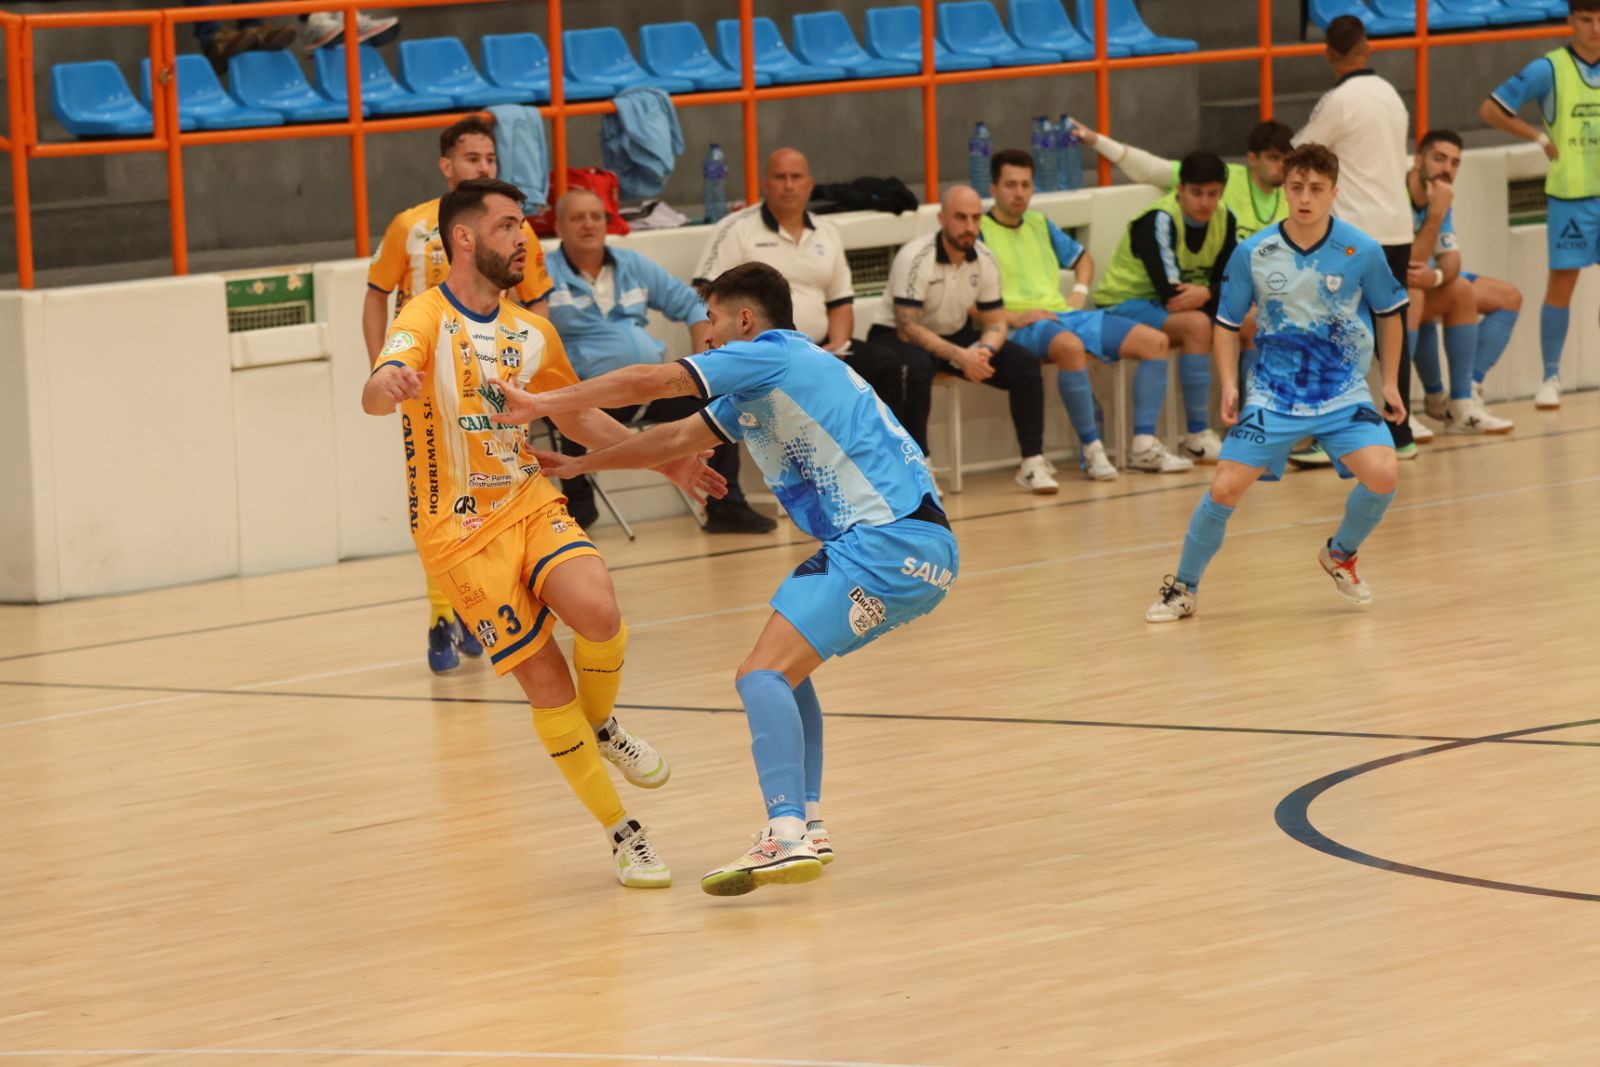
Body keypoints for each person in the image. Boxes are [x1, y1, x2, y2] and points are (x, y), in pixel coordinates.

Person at [488, 262, 959, 898]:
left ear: (744, 319)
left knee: (759, 675)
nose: (704, 333)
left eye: (710, 320)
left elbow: (648, 381)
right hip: (921, 550)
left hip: (883, 542)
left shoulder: (771, 353)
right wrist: (580, 463)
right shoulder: (767, 385)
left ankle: (784, 831)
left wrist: (542, 403)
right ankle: (808, 824)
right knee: (788, 674)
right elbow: (673, 438)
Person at [362, 179, 726, 889]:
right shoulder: (423, 315)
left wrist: (663, 460)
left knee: (600, 610)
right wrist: (390, 385)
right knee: (546, 684)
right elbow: (379, 387)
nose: (523, 239)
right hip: (458, 534)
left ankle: (604, 724)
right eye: (507, 226)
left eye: (524, 226)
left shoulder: (533, 331)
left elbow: (578, 415)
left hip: (528, 500)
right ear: (464, 237)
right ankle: (623, 832)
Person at [1145, 144, 1408, 623]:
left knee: (1384, 474)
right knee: (1224, 489)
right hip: (1273, 394)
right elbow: (1226, 323)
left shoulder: (1362, 250)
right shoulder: (1254, 252)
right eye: (1296, 187)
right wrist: (1230, 385)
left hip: (1343, 392)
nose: (1305, 198)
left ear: (1334, 192)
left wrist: (1389, 382)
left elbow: (1390, 314)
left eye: (1316, 189)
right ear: (1284, 188)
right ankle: (1183, 588)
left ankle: (1340, 553)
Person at [363, 115, 554, 674]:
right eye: (473, 159)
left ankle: (481, 605)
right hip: (426, 378)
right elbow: (376, 294)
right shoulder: (410, 225)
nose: (483, 167)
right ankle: (442, 615)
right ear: (446, 165)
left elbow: (536, 300)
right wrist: (384, 367)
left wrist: (532, 369)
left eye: (490, 159)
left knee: (497, 487)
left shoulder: (514, 229)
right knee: (437, 494)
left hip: (492, 375)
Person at [544, 189, 777, 533]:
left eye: (596, 216)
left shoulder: (632, 265)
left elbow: (695, 305)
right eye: (578, 218)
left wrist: (705, 359)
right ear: (558, 226)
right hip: (592, 393)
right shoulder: (543, 274)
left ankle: (726, 506)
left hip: (650, 387)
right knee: (569, 409)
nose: (589, 224)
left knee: (718, 404)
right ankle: (578, 513)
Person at [980, 148, 1186, 480]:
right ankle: (1092, 451)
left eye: (1025, 185)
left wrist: (1078, 292)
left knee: (1155, 342)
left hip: (1063, 315)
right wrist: (1011, 317)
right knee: (1070, 347)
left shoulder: (1040, 224)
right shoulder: (978, 231)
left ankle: (1143, 446)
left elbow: (1083, 259)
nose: (1019, 193)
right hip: (1021, 325)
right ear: (993, 189)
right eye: (1010, 185)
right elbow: (967, 294)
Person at [693, 147, 915, 430]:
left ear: (809, 184)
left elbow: (840, 302)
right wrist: (711, 356)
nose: (789, 185)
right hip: (756, 355)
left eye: (796, 177)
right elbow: (702, 294)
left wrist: (837, 346)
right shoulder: (736, 229)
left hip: (817, 350)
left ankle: (892, 452)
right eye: (780, 177)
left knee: (885, 364)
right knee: (716, 396)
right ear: (765, 184)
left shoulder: (827, 232)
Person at [866, 184, 1057, 494]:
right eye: (960, 217)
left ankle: (1032, 462)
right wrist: (960, 356)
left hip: (955, 334)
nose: (969, 226)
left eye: (975, 218)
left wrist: (983, 350)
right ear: (942, 219)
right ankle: (918, 466)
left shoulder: (985, 258)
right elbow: (907, 327)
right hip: (896, 336)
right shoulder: (915, 256)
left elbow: (995, 321)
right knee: (916, 370)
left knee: (1024, 364)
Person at [1293, 15, 1421, 459]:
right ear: (1368, 48)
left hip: (1356, 233)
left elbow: (1302, 152)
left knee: (1334, 329)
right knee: (1392, 333)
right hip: (1397, 228)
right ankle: (1400, 435)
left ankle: (1332, 437)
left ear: (1328, 54)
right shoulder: (1391, 95)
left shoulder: (1339, 100)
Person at [1479, 0, 1600, 410]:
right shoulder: (1549, 68)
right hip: (1571, 195)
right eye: (1586, 19)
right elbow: (1490, 109)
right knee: (1561, 287)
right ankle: (1551, 377)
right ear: (1571, 22)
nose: (1595, 28)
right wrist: (1537, 137)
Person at [1092, 151, 1240, 465]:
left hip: (1175, 305)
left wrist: (1207, 293)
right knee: (1197, 325)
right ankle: (1187, 437)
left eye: (1213, 194)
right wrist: (1213, 294)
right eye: (1196, 193)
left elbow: (1235, 281)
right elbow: (1171, 294)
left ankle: (1252, 425)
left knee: (1250, 319)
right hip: (1124, 303)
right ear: (1180, 189)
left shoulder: (1225, 218)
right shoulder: (1158, 220)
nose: (1205, 202)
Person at [1402, 129, 1514, 434]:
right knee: (1415, 293)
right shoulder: (1397, 195)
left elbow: (1451, 260)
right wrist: (1436, 214)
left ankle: (1462, 403)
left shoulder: (1440, 198)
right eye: (1439, 159)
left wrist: (1436, 275)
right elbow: (1410, 264)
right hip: (1376, 290)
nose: (1447, 169)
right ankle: (1401, 407)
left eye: (1454, 163)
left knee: (1465, 290)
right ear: (1418, 160)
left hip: (1414, 285)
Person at [1070, 118, 1294, 241]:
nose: (1282, 166)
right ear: (1252, 158)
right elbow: (1151, 169)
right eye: (1273, 158)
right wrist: (1096, 140)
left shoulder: (1294, 194)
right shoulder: (1217, 175)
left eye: (1287, 159)